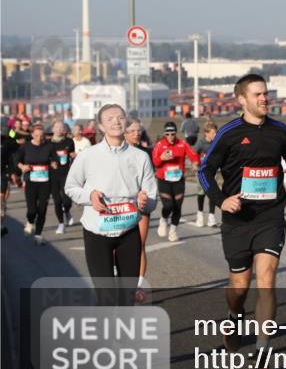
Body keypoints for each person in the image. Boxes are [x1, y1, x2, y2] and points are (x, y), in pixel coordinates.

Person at [198, 73, 286, 369]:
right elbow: (205, 171)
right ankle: (234, 316)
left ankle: (262, 352)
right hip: (238, 220)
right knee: (239, 288)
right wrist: (221, 201)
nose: (264, 98)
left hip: (270, 216)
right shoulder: (229, 132)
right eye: (257, 94)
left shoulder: (279, 130)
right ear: (241, 99)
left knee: (267, 280)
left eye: (266, 93)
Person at [65, 104, 157, 302]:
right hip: (97, 232)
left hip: (128, 232)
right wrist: (90, 196)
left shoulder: (140, 157)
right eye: (109, 119)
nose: (116, 121)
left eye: (120, 117)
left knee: (127, 297)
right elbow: (70, 187)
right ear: (101, 126)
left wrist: (144, 202)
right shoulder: (88, 155)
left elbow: (151, 198)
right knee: (106, 296)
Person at [152, 121, 201, 242]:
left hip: (178, 180)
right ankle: (163, 219)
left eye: (172, 134)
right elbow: (155, 162)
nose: (170, 136)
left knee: (177, 207)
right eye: (167, 134)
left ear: (176, 133)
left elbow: (193, 155)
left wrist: (195, 162)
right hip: (164, 180)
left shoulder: (182, 144)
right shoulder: (159, 145)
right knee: (168, 205)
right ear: (164, 134)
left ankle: (173, 231)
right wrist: (161, 158)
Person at [124, 119, 155, 301]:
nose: (136, 134)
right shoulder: (117, 153)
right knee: (118, 245)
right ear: (124, 132)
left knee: (139, 244)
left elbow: (150, 180)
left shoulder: (144, 154)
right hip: (122, 205)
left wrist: (145, 194)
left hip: (141, 203)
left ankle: (138, 286)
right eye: (132, 131)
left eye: (139, 131)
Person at [14, 123, 58, 245]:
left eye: (41, 136)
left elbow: (55, 158)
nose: (39, 138)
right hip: (30, 181)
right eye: (37, 135)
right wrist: (22, 166)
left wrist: (54, 163)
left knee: (42, 209)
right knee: (32, 210)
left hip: (45, 182)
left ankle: (38, 234)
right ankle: (30, 221)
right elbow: (16, 159)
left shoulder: (49, 146)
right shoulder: (25, 147)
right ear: (32, 135)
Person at [49, 120, 76, 234]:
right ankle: (61, 224)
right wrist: (51, 162)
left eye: (61, 127)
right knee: (57, 201)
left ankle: (67, 211)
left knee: (66, 200)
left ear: (64, 129)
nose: (59, 129)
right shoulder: (48, 143)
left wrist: (73, 155)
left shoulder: (69, 141)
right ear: (53, 129)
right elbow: (45, 156)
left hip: (65, 173)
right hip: (52, 174)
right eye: (57, 127)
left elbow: (72, 154)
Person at [193, 123, 219, 227]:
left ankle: (211, 218)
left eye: (216, 132)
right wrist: (195, 162)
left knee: (212, 194)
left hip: (212, 172)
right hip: (201, 172)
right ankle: (200, 215)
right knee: (201, 194)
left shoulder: (216, 143)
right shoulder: (201, 143)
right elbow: (193, 153)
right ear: (206, 133)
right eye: (213, 133)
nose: (215, 135)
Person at [1, 128, 17, 236]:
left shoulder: (6, 142)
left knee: (2, 200)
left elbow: (10, 160)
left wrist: (12, 173)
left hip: (2, 174)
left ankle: (1, 225)